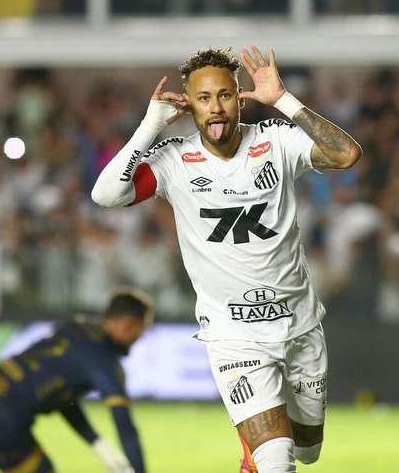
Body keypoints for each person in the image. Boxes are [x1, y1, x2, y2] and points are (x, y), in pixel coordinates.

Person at [91, 46, 361, 473]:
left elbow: (346, 155)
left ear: (240, 97)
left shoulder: (276, 140)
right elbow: (105, 195)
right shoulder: (174, 160)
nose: (215, 108)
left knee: (308, 450)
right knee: (278, 461)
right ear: (189, 104)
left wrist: (284, 101)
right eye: (203, 98)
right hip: (234, 335)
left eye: (224, 95)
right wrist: (149, 127)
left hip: (300, 323)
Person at [0, 288, 153, 473]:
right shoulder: (105, 361)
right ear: (128, 325)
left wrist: (97, 443)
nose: (140, 336)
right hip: (2, 418)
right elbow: (126, 429)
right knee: (21, 457)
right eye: (141, 329)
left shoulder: (76, 327)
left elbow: (62, 398)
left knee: (1, 451)